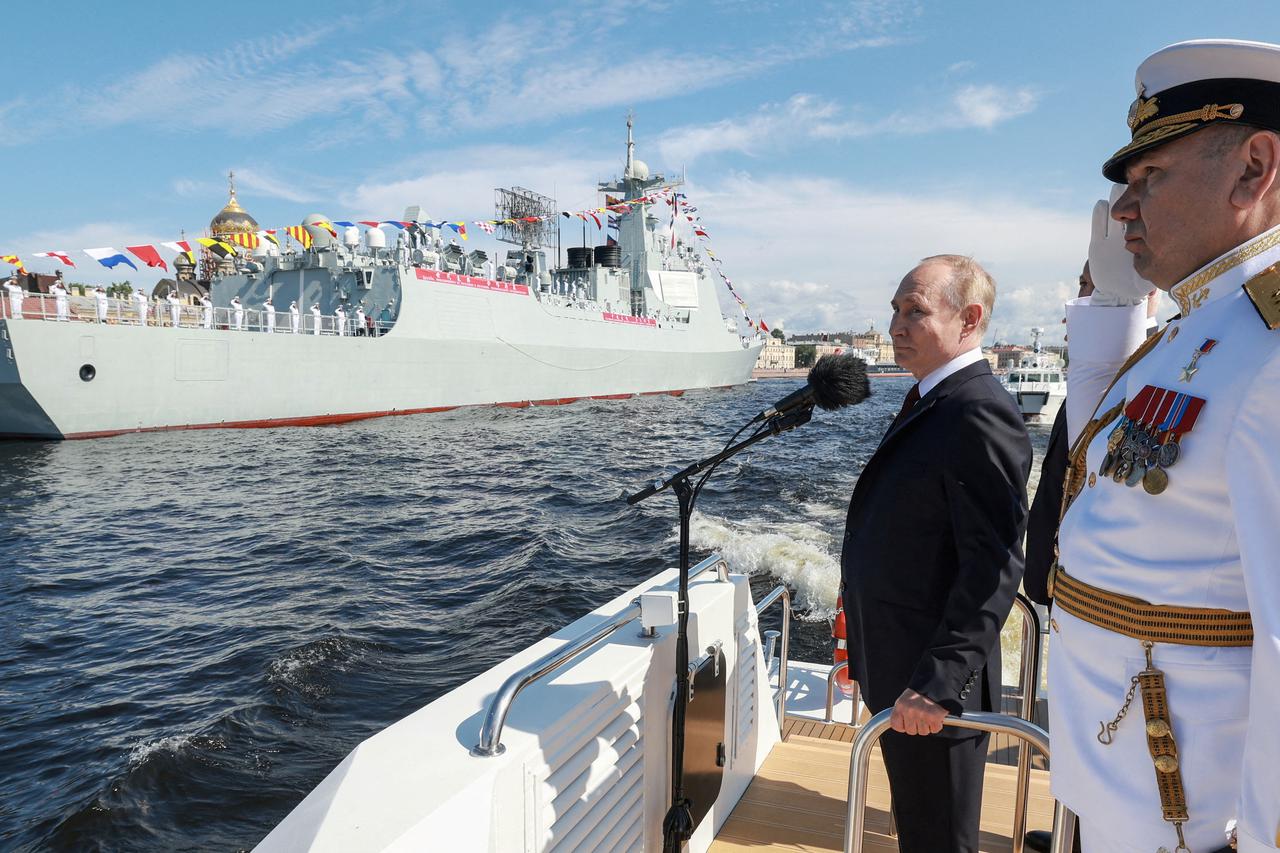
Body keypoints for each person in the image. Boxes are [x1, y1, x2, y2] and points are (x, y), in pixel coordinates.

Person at [1051, 40, 1280, 853]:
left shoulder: (1269, 355)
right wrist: (1113, 304)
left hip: (1191, 825)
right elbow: (1106, 474)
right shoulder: (1205, 329)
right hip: (1122, 791)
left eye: (1150, 178)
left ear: (1255, 168)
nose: (1121, 209)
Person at [840, 255, 1031, 853]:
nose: (896, 324)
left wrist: (939, 681)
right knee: (919, 829)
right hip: (902, 672)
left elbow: (995, 562)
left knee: (940, 839)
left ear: (969, 318)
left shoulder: (976, 410)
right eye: (896, 309)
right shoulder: (935, 399)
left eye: (914, 311)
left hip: (932, 688)